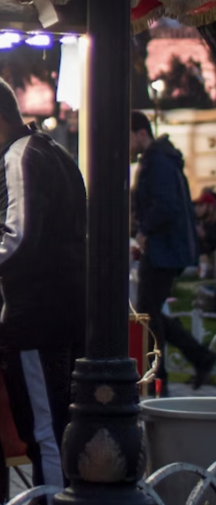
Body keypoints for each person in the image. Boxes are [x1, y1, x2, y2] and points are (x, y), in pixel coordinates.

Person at [0, 72, 86, 490]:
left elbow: (20, 238)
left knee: (44, 434)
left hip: (33, 321)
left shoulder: (19, 157)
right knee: (57, 428)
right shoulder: (51, 151)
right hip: (61, 313)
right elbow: (35, 232)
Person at [130, 111, 216, 394]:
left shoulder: (156, 161)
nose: (126, 146)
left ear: (141, 133)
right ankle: (176, 369)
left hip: (164, 250)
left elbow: (165, 207)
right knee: (150, 313)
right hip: (168, 248)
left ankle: (161, 378)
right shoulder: (162, 159)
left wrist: (143, 231)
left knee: (147, 314)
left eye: (127, 137)